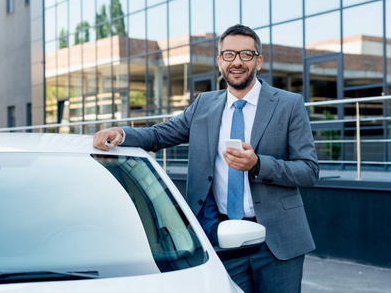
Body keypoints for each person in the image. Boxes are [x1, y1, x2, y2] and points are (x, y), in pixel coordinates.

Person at [93, 24, 319, 292]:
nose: (236, 61)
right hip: (220, 237)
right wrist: (121, 132)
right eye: (228, 54)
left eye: (246, 54)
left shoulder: (288, 104)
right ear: (219, 60)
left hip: (277, 241)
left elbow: (309, 170)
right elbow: (159, 135)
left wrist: (257, 165)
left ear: (259, 60)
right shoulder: (204, 104)